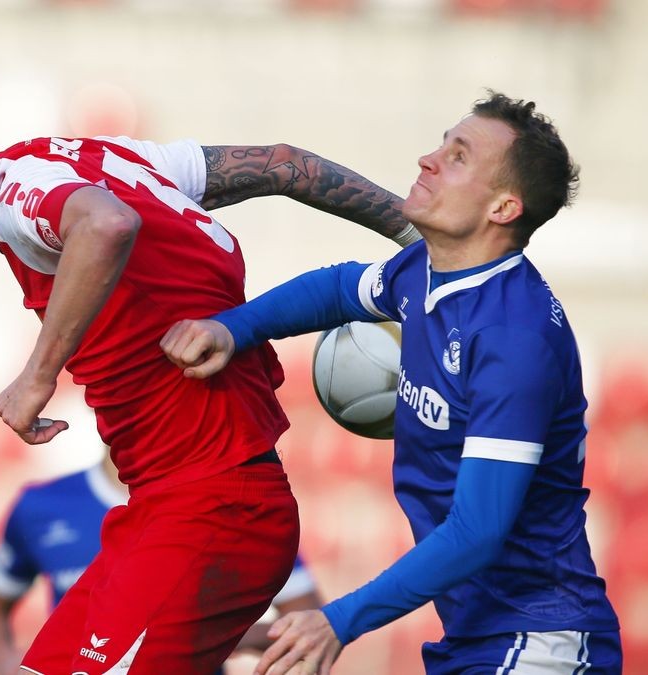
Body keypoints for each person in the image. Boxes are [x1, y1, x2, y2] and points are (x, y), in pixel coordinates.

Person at [0, 91, 418, 674]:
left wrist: (37, 377)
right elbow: (285, 164)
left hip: (212, 510)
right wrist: (417, 239)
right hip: (159, 511)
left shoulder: (17, 194)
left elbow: (106, 223)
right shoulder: (99, 160)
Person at [161, 92, 622, 675]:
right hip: (479, 634)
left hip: (539, 639)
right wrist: (232, 329)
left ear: (504, 207)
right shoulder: (426, 270)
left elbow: (479, 532)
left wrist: (339, 620)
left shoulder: (514, 341)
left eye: (458, 157)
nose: (428, 160)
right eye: (441, 144)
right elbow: (336, 290)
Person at [0, 454, 325, 675]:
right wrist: (7, 661)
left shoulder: (232, 510)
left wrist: (205, 633)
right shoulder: (43, 505)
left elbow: (306, 616)